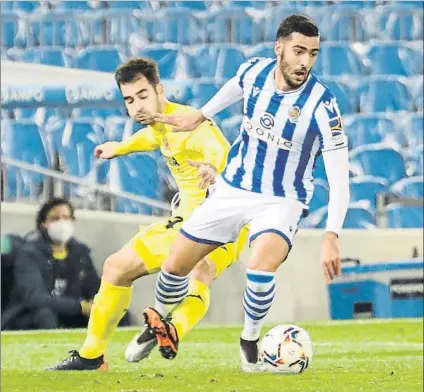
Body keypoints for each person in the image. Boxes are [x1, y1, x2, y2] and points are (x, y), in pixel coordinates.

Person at [141, 14, 350, 372]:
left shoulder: (322, 105)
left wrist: (331, 235)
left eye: (313, 54)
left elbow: (339, 176)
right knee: (176, 263)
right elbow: (223, 97)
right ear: (279, 47)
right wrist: (199, 115)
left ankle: (250, 339)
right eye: (298, 51)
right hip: (234, 186)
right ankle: (158, 319)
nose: (305, 62)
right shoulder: (253, 71)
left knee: (260, 263)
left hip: (282, 198)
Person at [49, 57, 248, 371]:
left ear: (159, 89)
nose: (137, 106)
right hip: (229, 224)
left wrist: (213, 169)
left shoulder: (190, 123)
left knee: (118, 268)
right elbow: (155, 137)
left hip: (205, 219)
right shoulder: (163, 122)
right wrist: (121, 147)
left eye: (143, 95)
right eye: (129, 99)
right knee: (197, 276)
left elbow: (216, 150)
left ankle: (92, 355)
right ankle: (172, 329)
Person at [5, 198, 102, 331]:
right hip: (29, 315)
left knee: (117, 313)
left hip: (71, 314)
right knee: (45, 315)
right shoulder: (29, 253)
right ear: (43, 224)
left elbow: (94, 287)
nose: (62, 223)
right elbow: (35, 298)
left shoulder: (81, 253)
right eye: (55, 218)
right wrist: (80, 307)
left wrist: (99, 304)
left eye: (66, 217)